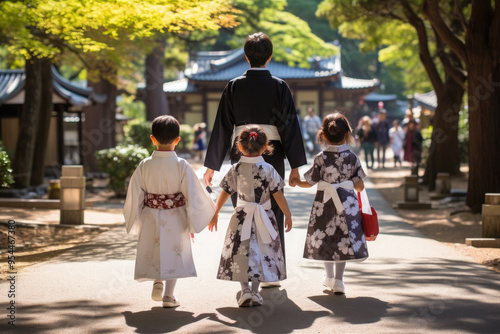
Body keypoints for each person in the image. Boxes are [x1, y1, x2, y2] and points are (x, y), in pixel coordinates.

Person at [203, 32, 306, 287]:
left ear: (246, 56)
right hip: (272, 155)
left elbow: (223, 126)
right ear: (270, 57)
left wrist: (211, 166)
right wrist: (295, 167)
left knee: (244, 211)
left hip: (242, 154)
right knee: (271, 212)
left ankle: (246, 270)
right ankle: (270, 272)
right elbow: (289, 126)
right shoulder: (280, 86)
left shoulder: (234, 85)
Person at [123, 115, 216, 308]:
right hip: (175, 214)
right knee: (175, 252)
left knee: (154, 247)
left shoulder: (144, 165)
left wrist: (135, 216)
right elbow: (193, 194)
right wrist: (200, 216)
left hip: (150, 213)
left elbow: (135, 194)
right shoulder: (181, 165)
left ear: (152, 138)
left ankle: (157, 280)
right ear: (177, 140)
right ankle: (169, 295)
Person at [208, 125, 292, 307]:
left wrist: (215, 212)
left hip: (241, 217)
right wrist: (288, 214)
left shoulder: (236, 169)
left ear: (239, 146)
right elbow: (279, 196)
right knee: (262, 251)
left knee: (241, 250)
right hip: (264, 216)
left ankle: (244, 290)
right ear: (265, 146)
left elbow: (225, 192)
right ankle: (255, 291)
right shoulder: (269, 169)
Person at [291, 112, 368, 294]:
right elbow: (360, 186)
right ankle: (339, 281)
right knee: (343, 239)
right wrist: (349, 183)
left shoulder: (320, 157)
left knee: (326, 237)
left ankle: (328, 277)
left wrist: (295, 181)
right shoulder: (352, 158)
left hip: (324, 202)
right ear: (347, 134)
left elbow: (309, 182)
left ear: (323, 134)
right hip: (347, 202)